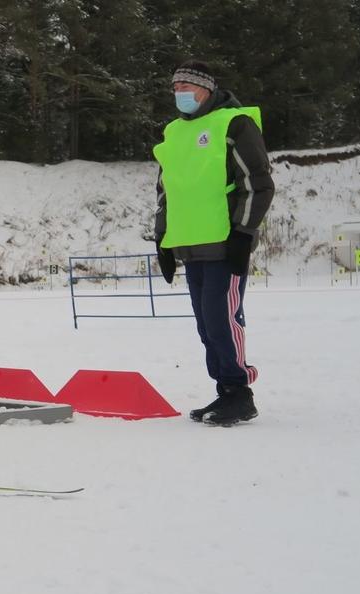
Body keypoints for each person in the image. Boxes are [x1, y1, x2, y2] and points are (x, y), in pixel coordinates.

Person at [152, 60, 275, 426]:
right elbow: (165, 192)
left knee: (223, 321)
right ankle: (225, 391)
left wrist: (243, 233)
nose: (180, 94)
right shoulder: (173, 133)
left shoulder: (234, 123)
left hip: (225, 245)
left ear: (206, 89)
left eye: (186, 87)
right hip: (191, 246)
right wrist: (163, 240)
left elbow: (258, 184)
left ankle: (240, 392)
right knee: (206, 324)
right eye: (175, 88)